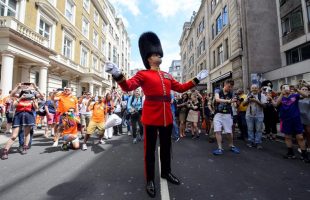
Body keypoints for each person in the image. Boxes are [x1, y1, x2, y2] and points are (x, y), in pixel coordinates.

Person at [105, 31, 208, 198]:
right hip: (151, 117)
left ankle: (166, 172)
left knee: (167, 149)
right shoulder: (142, 74)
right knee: (149, 151)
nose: (158, 56)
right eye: (155, 54)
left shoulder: (167, 75)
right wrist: (118, 75)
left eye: (159, 53)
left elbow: (181, 88)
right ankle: (149, 180)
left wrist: (196, 79)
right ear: (148, 58)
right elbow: (128, 86)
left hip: (167, 116)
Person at [272, 84, 309, 163]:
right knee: (288, 137)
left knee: (300, 137)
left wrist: (297, 89)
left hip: (296, 119)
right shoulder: (280, 97)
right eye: (284, 88)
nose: (286, 89)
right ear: (281, 89)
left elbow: (306, 95)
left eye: (287, 87)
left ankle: (304, 154)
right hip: (285, 120)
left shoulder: (295, 95)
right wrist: (282, 94)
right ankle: (290, 153)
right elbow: (275, 104)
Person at [1, 88, 38, 159]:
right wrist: (21, 97)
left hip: (29, 116)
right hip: (18, 116)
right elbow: (14, 105)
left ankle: (25, 147)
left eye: (28, 93)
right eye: (25, 93)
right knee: (14, 136)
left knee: (26, 134)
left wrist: (34, 99)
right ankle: (5, 151)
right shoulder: (18, 98)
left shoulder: (32, 99)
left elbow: (36, 108)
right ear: (21, 93)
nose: (26, 95)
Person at [212, 79, 240, 155]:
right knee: (217, 131)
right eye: (229, 86)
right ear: (225, 84)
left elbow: (234, 104)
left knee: (229, 132)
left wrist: (236, 103)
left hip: (227, 114)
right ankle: (220, 148)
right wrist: (228, 101)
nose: (230, 88)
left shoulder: (231, 93)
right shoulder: (218, 90)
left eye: (231, 87)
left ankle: (231, 146)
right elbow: (217, 99)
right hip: (218, 114)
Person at [243, 84, 267, 149]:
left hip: (259, 115)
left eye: (255, 88)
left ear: (258, 89)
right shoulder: (248, 95)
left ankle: (258, 142)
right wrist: (248, 100)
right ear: (251, 89)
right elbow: (243, 104)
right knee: (250, 129)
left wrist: (256, 101)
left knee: (259, 130)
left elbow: (264, 106)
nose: (254, 89)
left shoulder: (262, 96)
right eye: (253, 88)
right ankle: (250, 141)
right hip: (249, 115)